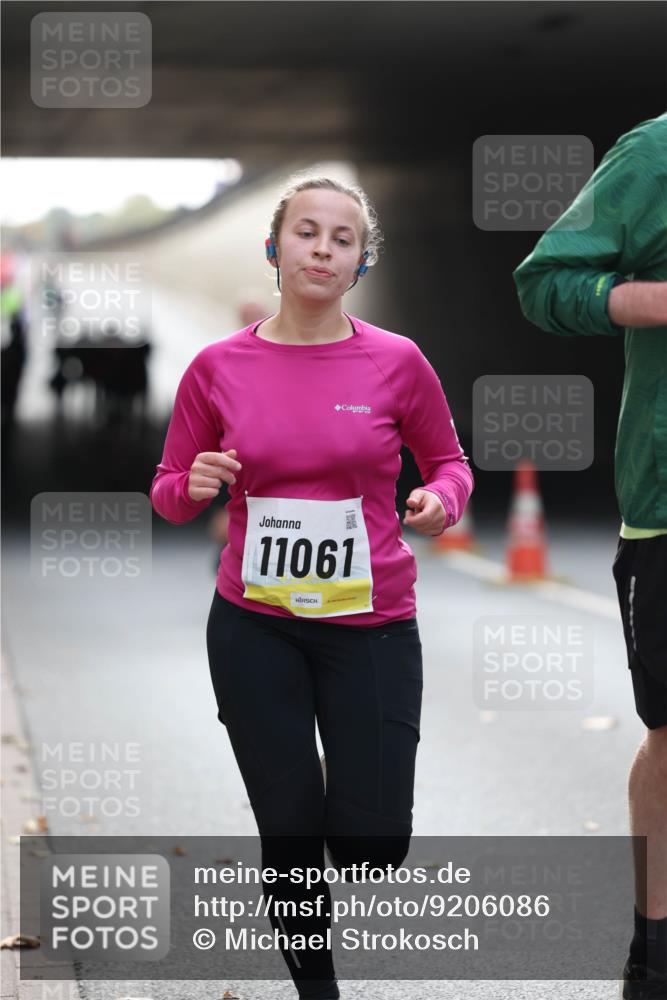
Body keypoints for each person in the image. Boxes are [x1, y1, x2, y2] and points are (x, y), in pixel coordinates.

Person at [149, 174, 474, 999]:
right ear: (274, 247)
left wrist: (441, 501)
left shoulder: (396, 361)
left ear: (361, 262)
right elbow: (168, 489)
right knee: (290, 834)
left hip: (372, 623)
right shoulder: (216, 367)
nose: (322, 249)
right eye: (306, 232)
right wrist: (190, 486)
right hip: (253, 625)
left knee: (371, 844)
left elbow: (449, 462)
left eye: (342, 238)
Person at [513, 112, 667, 999]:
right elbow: (545, 284)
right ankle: (655, 947)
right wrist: (657, 299)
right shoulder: (654, 154)